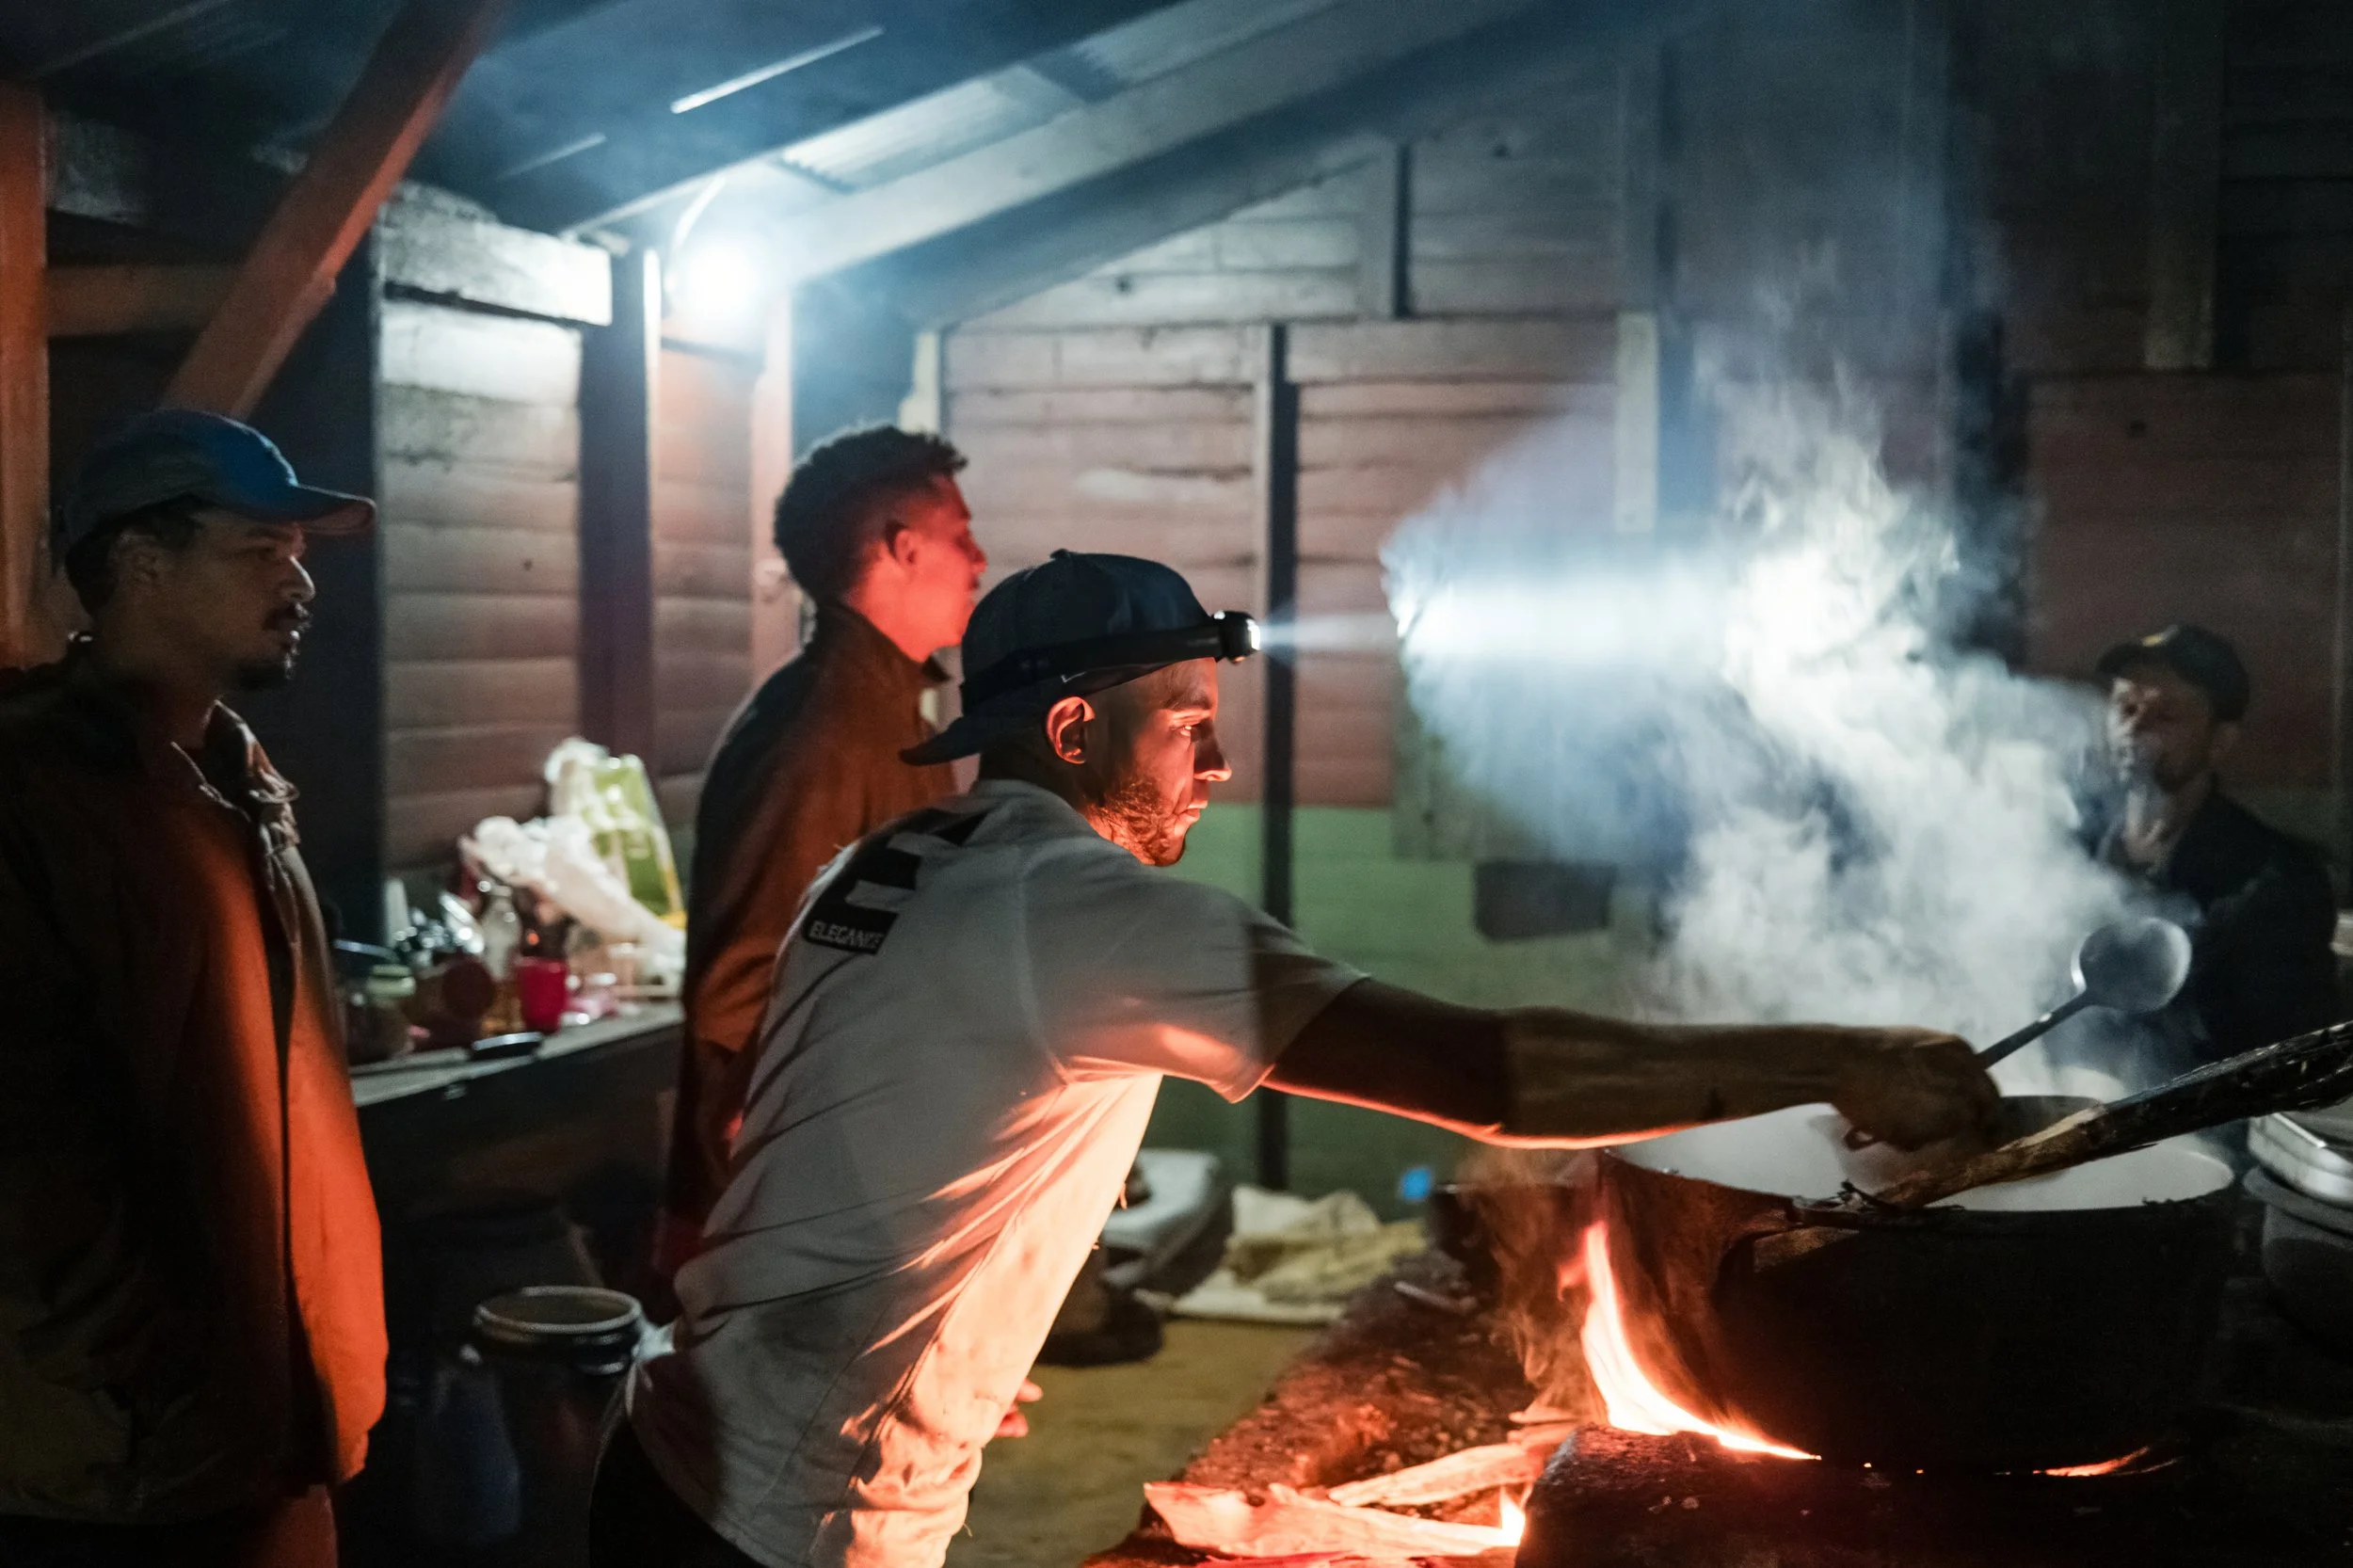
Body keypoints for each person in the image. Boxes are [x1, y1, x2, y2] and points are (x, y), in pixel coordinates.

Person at [590, 551, 1995, 1568]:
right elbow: (1493, 1077)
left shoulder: (886, 859)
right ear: (1075, 729)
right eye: (1187, 726)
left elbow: (837, 1131)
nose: (1211, 767)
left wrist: (952, 1333)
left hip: (683, 1444)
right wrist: (1837, 1059)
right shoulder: (1082, 907)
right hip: (785, 1521)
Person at [0, 410, 387, 1568]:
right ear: (136, 562)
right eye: (259, 550)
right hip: (122, 1468)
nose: (301, 579)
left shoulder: (234, 776)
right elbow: (31, 1157)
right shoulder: (37, 798)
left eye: (301, 551)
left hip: (268, 1425)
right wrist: (167, 1371)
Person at [655, 427, 988, 1291]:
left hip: (863, 1168)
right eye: (960, 536)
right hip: (805, 1204)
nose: (979, 558)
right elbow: (741, 996)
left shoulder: (893, 714)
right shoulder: (823, 731)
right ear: (903, 549)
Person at [2095, 623, 2338, 1064]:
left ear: (2220, 742)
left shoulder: (2275, 883)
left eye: (2165, 716)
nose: (2135, 728)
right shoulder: (2071, 844)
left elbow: (2286, 1063)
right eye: (2125, 707)